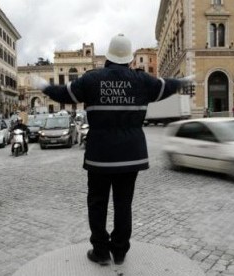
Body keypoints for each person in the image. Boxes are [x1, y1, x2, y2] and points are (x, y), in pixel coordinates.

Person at [31, 34, 194, 266]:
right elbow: (166, 86)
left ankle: (100, 251)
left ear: (108, 56)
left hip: (101, 155)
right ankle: (119, 251)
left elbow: (63, 94)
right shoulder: (142, 81)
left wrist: (44, 86)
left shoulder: (91, 79)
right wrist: (184, 80)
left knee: (97, 203)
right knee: (123, 203)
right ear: (129, 60)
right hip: (131, 155)